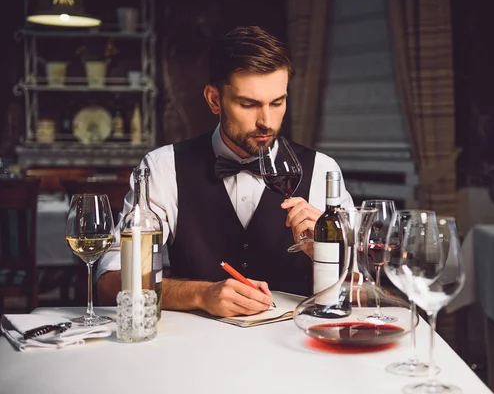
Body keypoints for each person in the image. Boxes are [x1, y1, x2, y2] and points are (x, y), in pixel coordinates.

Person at [97, 26, 354, 318]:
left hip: (295, 343)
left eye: (277, 103)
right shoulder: (162, 168)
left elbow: (364, 288)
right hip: (194, 347)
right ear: (214, 99)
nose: (267, 122)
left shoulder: (322, 171)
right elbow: (110, 281)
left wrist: (328, 257)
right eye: (248, 104)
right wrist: (199, 294)